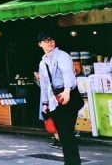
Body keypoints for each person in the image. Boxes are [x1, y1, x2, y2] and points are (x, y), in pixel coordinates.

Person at [38, 31, 81, 164]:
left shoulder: (62, 56)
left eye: (51, 39)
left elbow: (68, 74)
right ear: (40, 44)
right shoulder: (43, 62)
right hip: (55, 101)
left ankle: (72, 162)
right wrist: (44, 103)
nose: (50, 42)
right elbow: (44, 86)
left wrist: (67, 91)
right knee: (64, 134)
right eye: (46, 40)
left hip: (68, 97)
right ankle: (71, 161)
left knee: (66, 133)